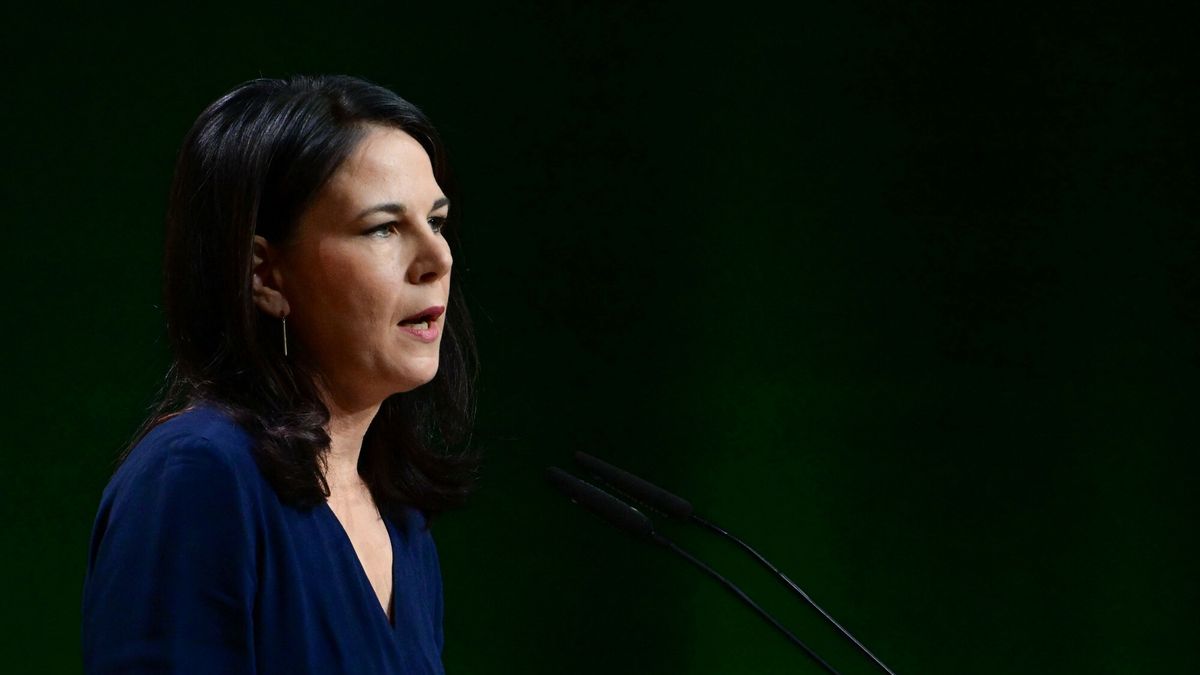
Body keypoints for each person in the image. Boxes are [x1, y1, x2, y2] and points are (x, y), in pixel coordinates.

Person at [81, 75, 478, 674]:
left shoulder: (401, 521)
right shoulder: (199, 476)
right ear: (265, 274)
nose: (438, 258)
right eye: (384, 228)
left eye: (437, 222)